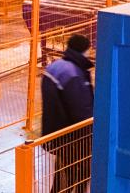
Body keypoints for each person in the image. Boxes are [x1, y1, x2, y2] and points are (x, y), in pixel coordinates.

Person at [41, 33, 94, 193]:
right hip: (75, 136)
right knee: (81, 170)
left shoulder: (55, 67)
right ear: (84, 50)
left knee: (63, 172)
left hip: (56, 132)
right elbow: (82, 110)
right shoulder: (74, 74)